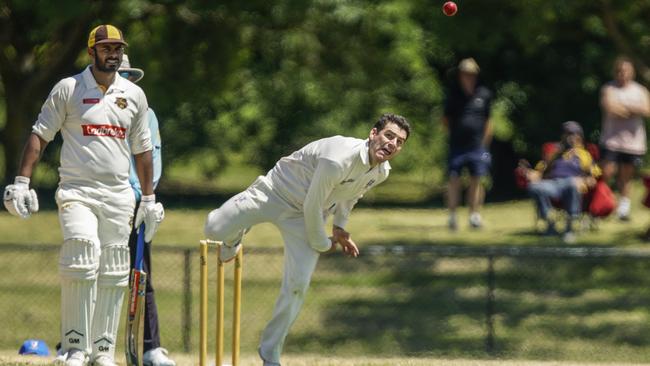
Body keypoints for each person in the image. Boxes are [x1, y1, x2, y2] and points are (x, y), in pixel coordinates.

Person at [2, 25, 164, 366]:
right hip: (77, 191)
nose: (114, 54)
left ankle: (103, 351)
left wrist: (148, 200)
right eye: (106, 48)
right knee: (81, 253)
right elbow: (39, 135)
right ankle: (76, 346)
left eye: (118, 49)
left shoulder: (133, 95)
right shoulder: (69, 88)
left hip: (119, 195)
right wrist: (21, 181)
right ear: (91, 52)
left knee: (115, 269)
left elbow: (144, 151)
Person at [203, 113, 410, 366]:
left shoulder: (381, 171)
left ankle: (270, 353)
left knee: (298, 285)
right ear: (373, 134)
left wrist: (340, 227)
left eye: (400, 142)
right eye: (389, 136)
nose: (392, 144)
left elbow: (350, 195)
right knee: (213, 228)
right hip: (273, 192)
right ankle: (234, 235)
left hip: (302, 218)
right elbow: (313, 204)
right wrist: (323, 242)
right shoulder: (339, 157)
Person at [119, 55, 175, 366]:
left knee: (141, 275)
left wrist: (147, 196)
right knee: (92, 273)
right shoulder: (92, 109)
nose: (123, 80)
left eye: (127, 74)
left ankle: (151, 347)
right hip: (105, 199)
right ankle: (77, 343)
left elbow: (152, 157)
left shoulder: (146, 114)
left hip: (138, 200)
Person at [519, 121, 601, 244]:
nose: (570, 137)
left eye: (573, 134)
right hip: (554, 184)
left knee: (571, 184)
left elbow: (594, 177)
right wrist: (530, 174)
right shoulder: (555, 154)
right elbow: (540, 172)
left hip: (572, 184)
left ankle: (569, 228)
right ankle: (550, 223)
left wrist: (583, 180)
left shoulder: (584, 155)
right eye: (567, 134)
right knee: (534, 187)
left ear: (580, 137)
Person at [442, 57, 493, 230]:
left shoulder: (484, 94)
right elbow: (445, 120)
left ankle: (474, 216)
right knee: (454, 179)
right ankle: (452, 216)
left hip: (477, 146)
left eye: (471, 74)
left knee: (477, 179)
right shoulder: (453, 94)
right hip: (457, 145)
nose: (468, 77)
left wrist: (484, 144)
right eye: (465, 73)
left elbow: (488, 121)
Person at [599, 56, 650, 221]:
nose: (623, 74)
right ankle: (604, 203)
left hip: (633, 142)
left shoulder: (640, 90)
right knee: (607, 172)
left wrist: (626, 108)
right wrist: (633, 109)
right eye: (620, 71)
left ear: (632, 72)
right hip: (612, 140)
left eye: (626, 71)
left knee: (626, 176)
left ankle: (624, 208)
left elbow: (646, 110)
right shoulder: (609, 89)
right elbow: (611, 108)